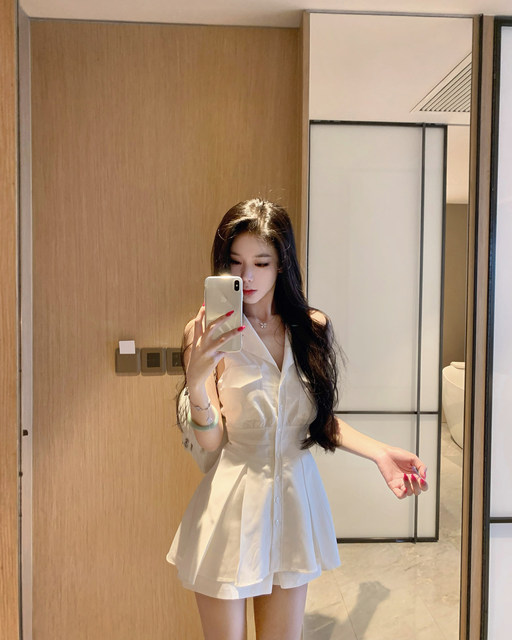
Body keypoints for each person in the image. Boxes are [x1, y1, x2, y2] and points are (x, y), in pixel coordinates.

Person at [166, 198, 428, 640]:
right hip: (232, 506)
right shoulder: (205, 332)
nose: (247, 276)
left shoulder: (311, 327)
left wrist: (380, 453)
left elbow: (316, 421)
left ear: (282, 265)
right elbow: (211, 442)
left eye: (261, 262)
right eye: (235, 262)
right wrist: (195, 382)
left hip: (294, 504)